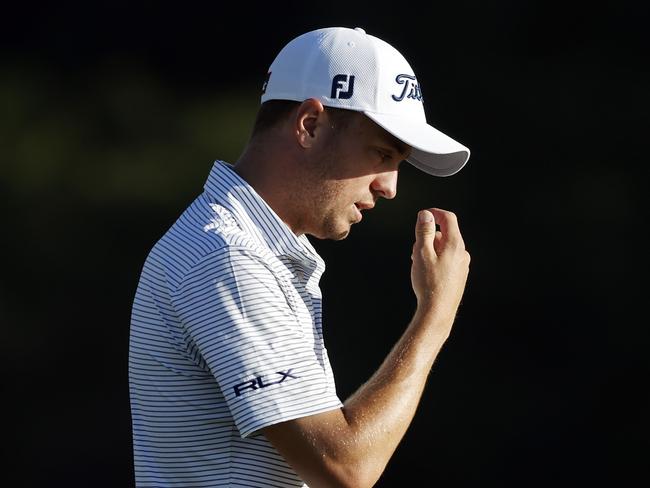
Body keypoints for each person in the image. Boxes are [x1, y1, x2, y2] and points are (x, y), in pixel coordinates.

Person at [128, 26, 471, 488]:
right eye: (381, 152)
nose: (390, 186)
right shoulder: (228, 258)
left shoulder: (245, 250)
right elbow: (346, 468)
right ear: (310, 125)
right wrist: (437, 313)